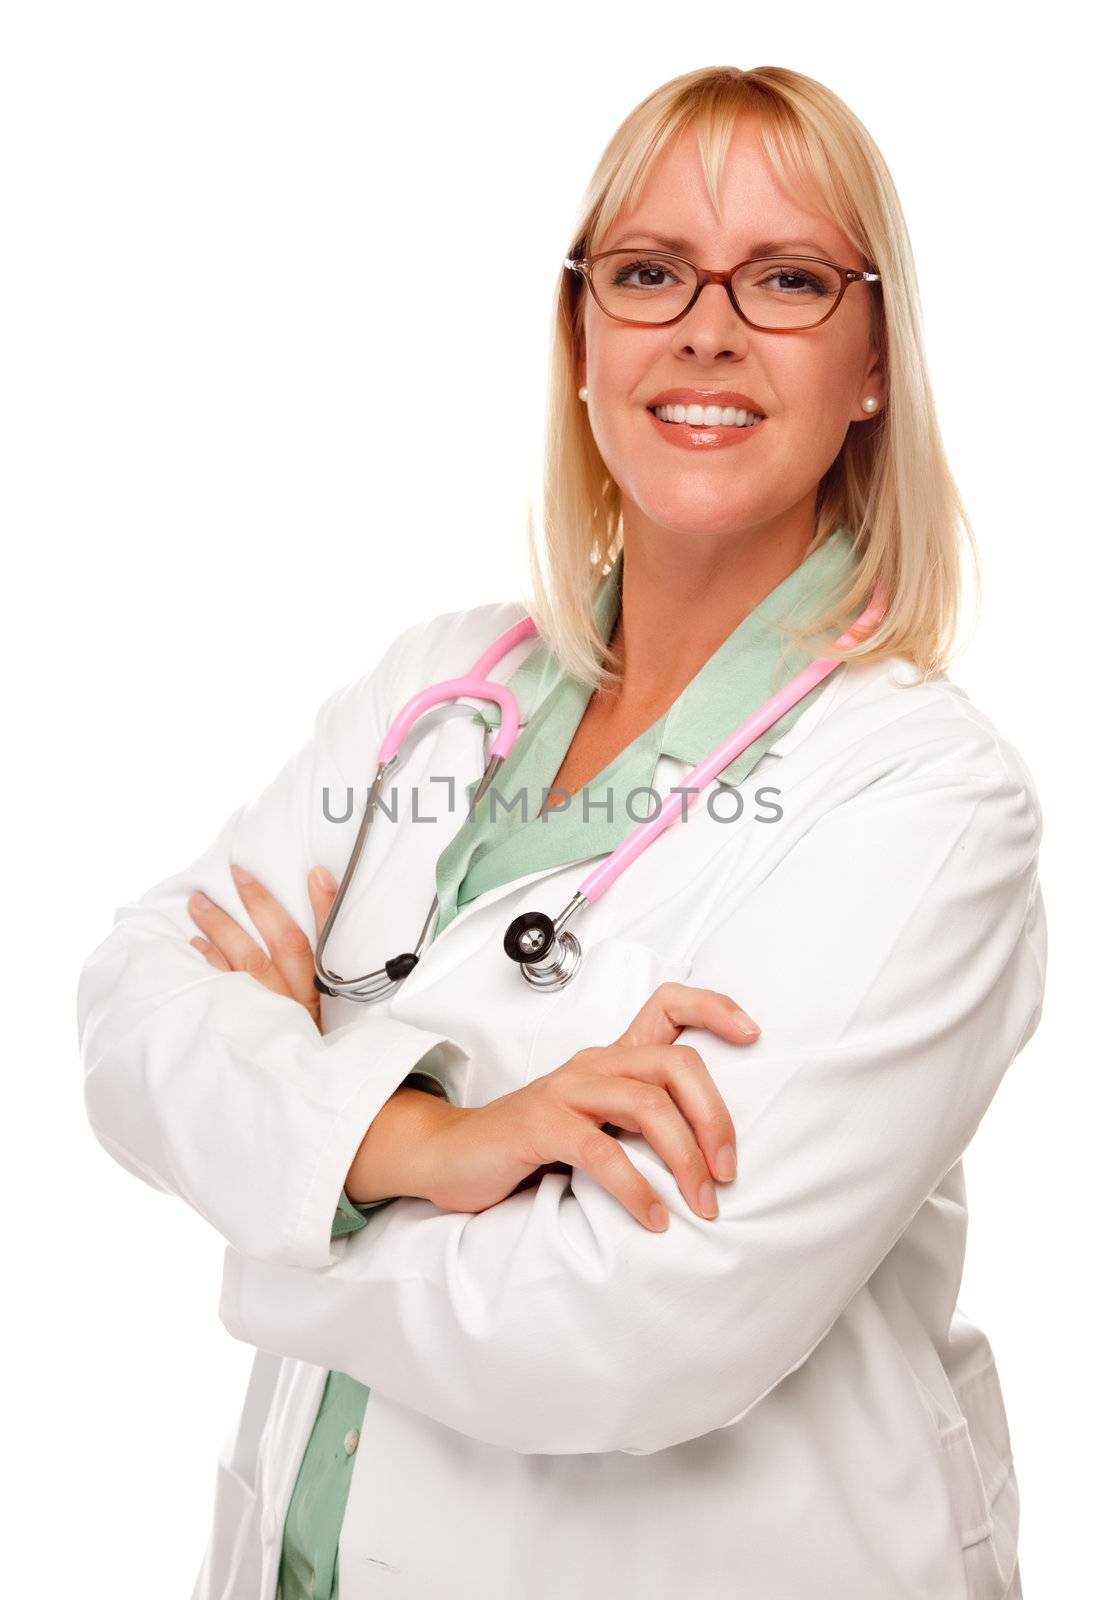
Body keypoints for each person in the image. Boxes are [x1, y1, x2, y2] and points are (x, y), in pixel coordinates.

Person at [76, 64, 1044, 1600]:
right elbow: (133, 1004)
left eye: (785, 279)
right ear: (581, 336)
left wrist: (280, 1166)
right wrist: (436, 1146)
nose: (704, 329)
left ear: (871, 360)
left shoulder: (922, 799)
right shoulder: (430, 693)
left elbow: (621, 1332)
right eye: (648, 272)